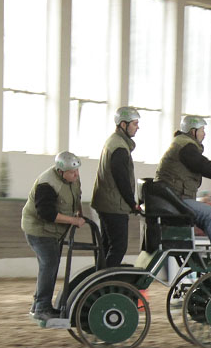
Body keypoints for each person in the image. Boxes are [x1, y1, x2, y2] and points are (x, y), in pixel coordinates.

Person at [154, 115, 211, 250]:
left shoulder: (181, 143)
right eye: (202, 130)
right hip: (175, 200)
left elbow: (204, 167)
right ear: (193, 131)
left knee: (209, 214)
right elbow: (204, 166)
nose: (204, 134)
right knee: (209, 213)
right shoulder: (186, 146)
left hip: (171, 198)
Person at [21, 151, 86, 321]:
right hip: (38, 230)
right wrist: (73, 220)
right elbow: (47, 214)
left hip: (53, 232)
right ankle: (42, 307)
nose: (76, 174)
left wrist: (79, 213)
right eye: (73, 172)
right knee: (49, 262)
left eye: (77, 171)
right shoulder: (47, 184)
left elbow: (76, 196)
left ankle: (38, 305)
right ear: (60, 171)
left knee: (50, 263)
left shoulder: (72, 178)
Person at [92, 106, 141, 268]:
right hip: (114, 205)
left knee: (107, 246)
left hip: (105, 203)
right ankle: (104, 283)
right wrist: (132, 203)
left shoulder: (113, 141)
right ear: (123, 125)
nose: (137, 127)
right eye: (134, 123)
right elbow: (122, 179)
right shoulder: (119, 147)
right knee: (119, 247)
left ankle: (100, 280)